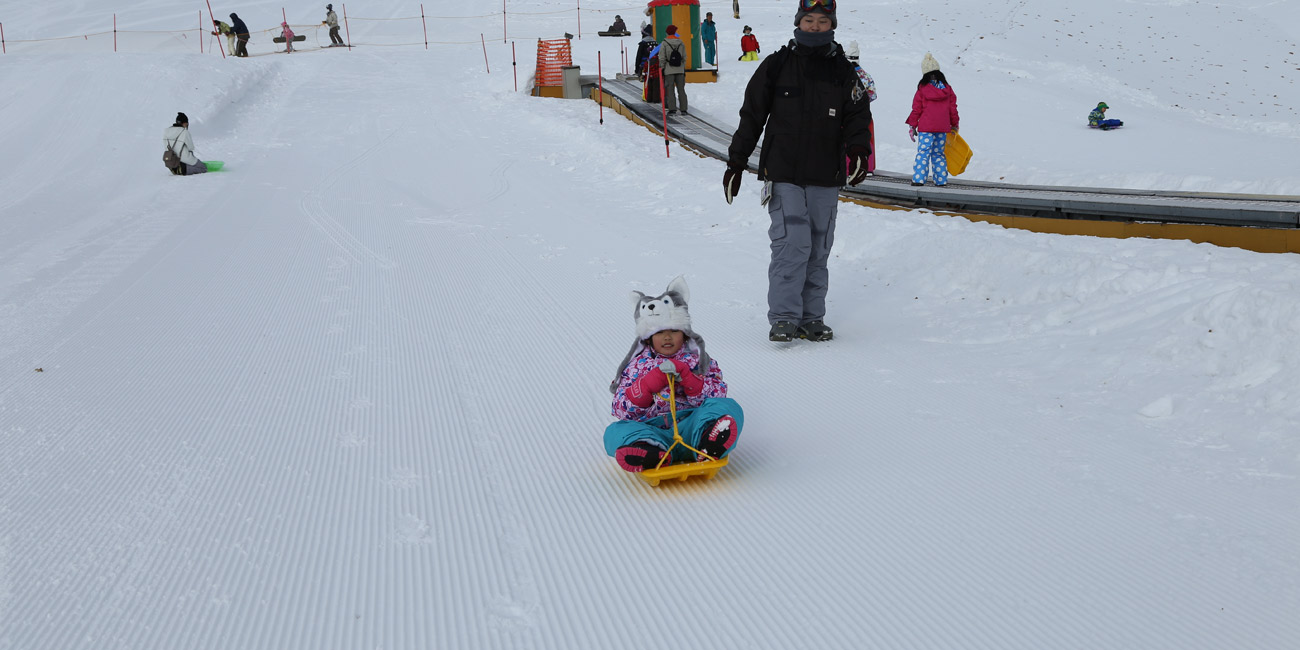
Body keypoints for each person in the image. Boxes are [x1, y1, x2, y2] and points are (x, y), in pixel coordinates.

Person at [723, 0, 872, 343]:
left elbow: (857, 117)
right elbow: (752, 116)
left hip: (825, 172)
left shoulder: (845, 72)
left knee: (818, 248)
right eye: (809, 19)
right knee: (792, 244)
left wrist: (859, 150)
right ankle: (785, 317)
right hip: (784, 170)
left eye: (822, 20)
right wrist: (736, 162)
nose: (815, 26)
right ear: (799, 22)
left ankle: (811, 317)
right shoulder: (777, 65)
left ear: (832, 25)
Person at [605, 276, 743, 473]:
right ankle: (649, 451)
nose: (667, 337)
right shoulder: (636, 365)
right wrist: (645, 387)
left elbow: (718, 392)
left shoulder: (698, 360)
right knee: (615, 431)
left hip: (693, 424)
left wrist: (691, 380)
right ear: (649, 338)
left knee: (728, 406)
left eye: (674, 331)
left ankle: (709, 442)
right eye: (660, 332)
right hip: (653, 429)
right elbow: (621, 409)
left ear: (685, 334)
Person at [905, 52, 959, 186]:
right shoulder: (948, 89)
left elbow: (917, 109)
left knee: (923, 153)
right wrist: (954, 124)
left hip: (926, 128)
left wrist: (912, 125)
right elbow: (952, 109)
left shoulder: (922, 90)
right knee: (938, 153)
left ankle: (918, 179)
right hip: (942, 128)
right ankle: (941, 180)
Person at [845, 40, 877, 174]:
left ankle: (846, 167)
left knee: (846, 140)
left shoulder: (843, 75)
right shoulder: (865, 76)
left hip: (845, 114)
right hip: (864, 113)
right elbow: (873, 94)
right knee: (865, 138)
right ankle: (867, 166)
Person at [659, 25, 688, 116]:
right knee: (681, 90)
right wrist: (682, 67)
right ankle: (683, 109)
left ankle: (672, 109)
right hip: (680, 70)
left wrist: (662, 67)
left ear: (667, 32)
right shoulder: (681, 43)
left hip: (669, 70)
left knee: (670, 90)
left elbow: (662, 57)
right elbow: (684, 57)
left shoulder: (664, 43)